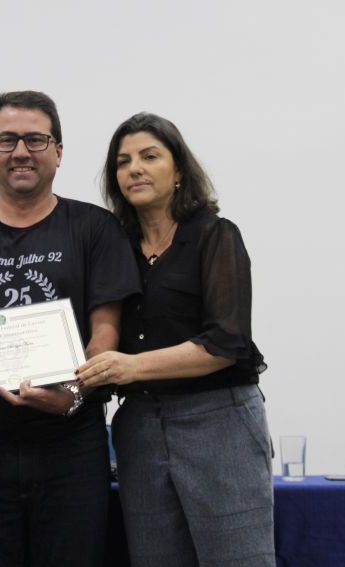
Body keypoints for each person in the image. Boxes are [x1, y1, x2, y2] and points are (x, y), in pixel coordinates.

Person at [0, 90, 140, 566]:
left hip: (71, 446)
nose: (20, 151)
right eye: (7, 140)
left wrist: (72, 395)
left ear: (58, 152)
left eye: (35, 140)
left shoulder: (96, 227)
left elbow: (105, 335)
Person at [76, 112, 276, 566]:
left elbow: (226, 342)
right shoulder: (114, 248)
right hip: (140, 427)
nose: (135, 169)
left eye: (150, 156)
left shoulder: (214, 236)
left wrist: (131, 366)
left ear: (179, 169)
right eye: (123, 162)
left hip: (218, 423)